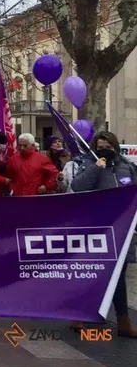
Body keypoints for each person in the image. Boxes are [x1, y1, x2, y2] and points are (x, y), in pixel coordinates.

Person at [71, 131, 137, 337]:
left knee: (118, 277)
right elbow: (78, 186)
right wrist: (96, 167)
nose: (104, 150)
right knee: (90, 272)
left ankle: (123, 321)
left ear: (115, 147)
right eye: (100, 147)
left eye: (108, 147)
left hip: (122, 229)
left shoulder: (127, 166)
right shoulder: (87, 163)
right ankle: (78, 315)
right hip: (97, 229)